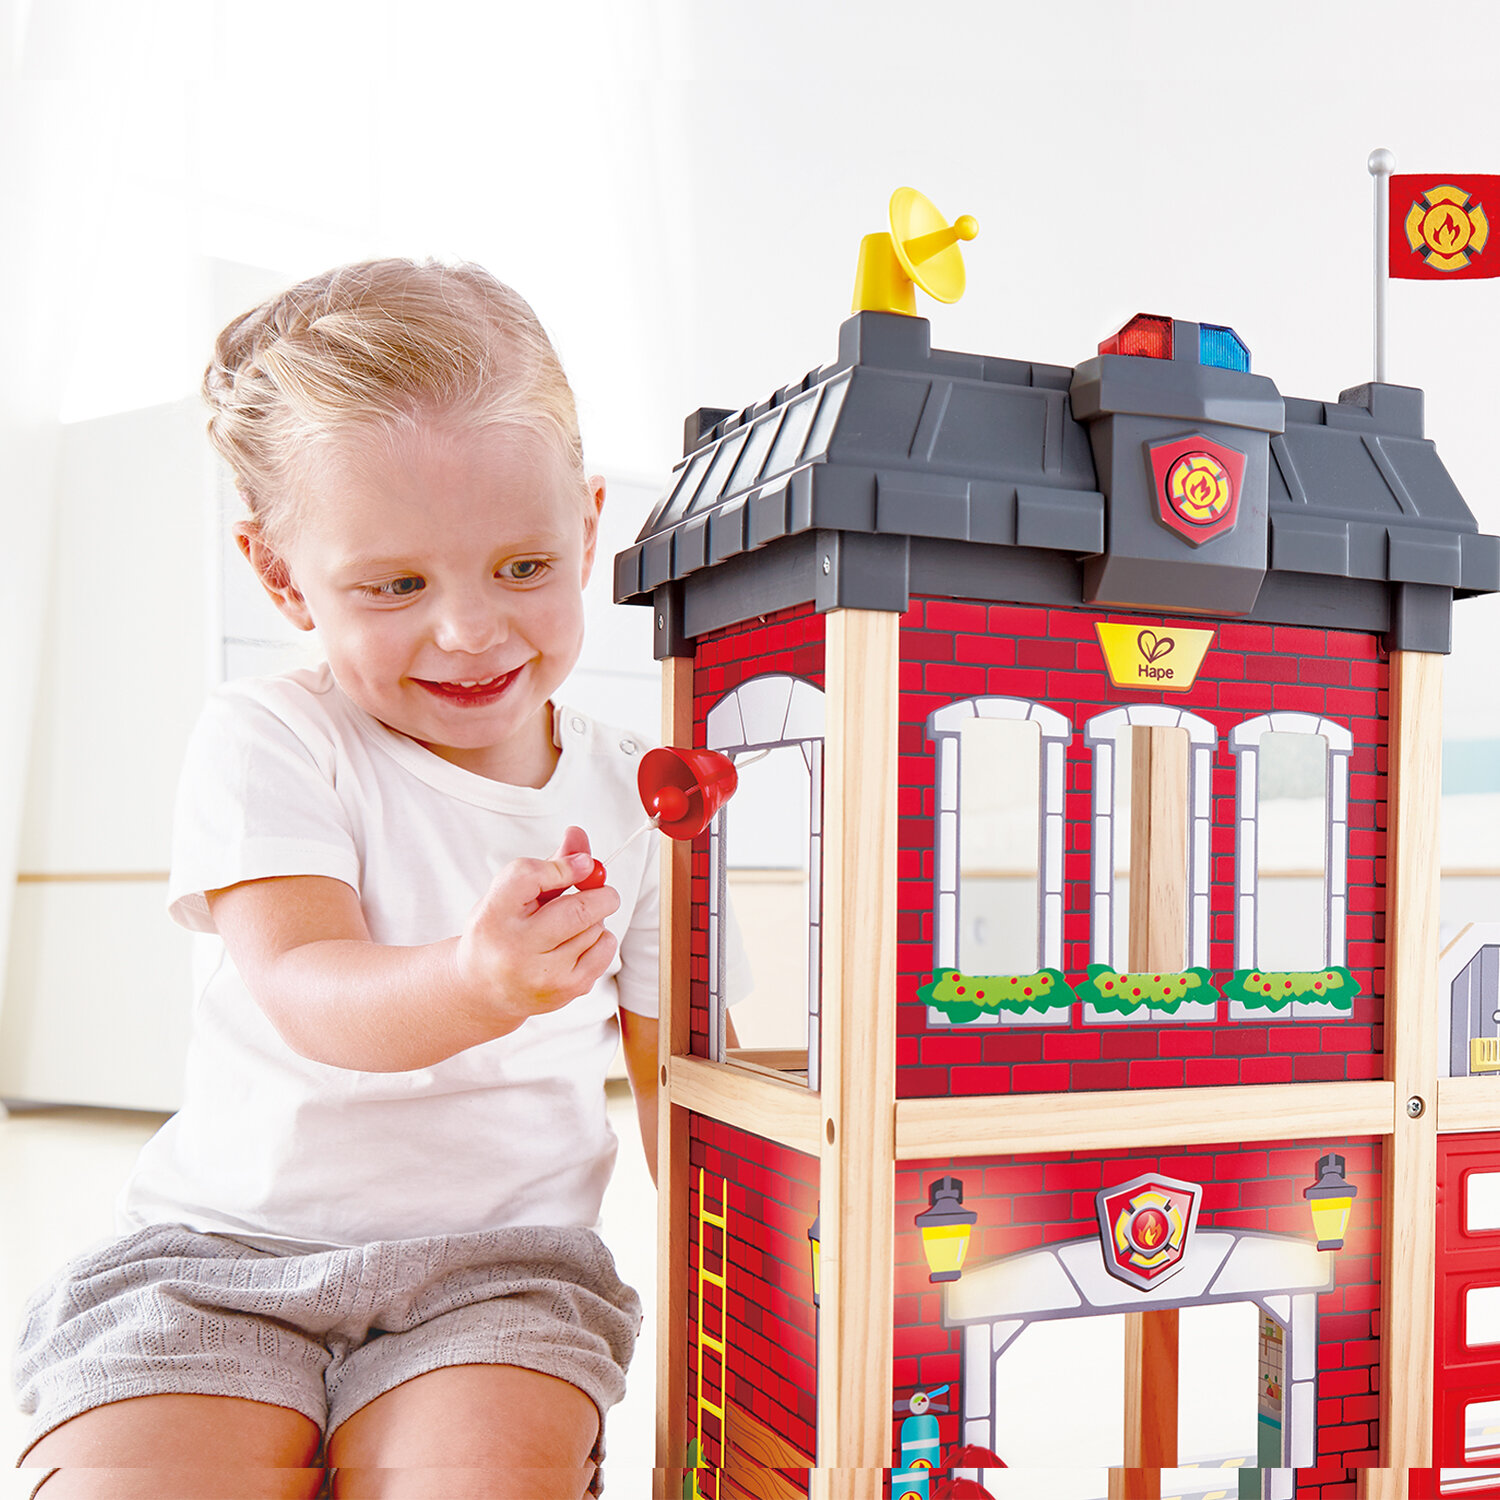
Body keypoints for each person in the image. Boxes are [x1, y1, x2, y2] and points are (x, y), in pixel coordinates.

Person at [12, 259, 659, 1500]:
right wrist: (476, 982)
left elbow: (674, 1074)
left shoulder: (637, 795)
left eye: (524, 567)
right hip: (221, 1259)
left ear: (586, 530)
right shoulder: (273, 737)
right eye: (398, 585)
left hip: (497, 1277)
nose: (470, 630)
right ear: (279, 576)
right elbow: (309, 983)